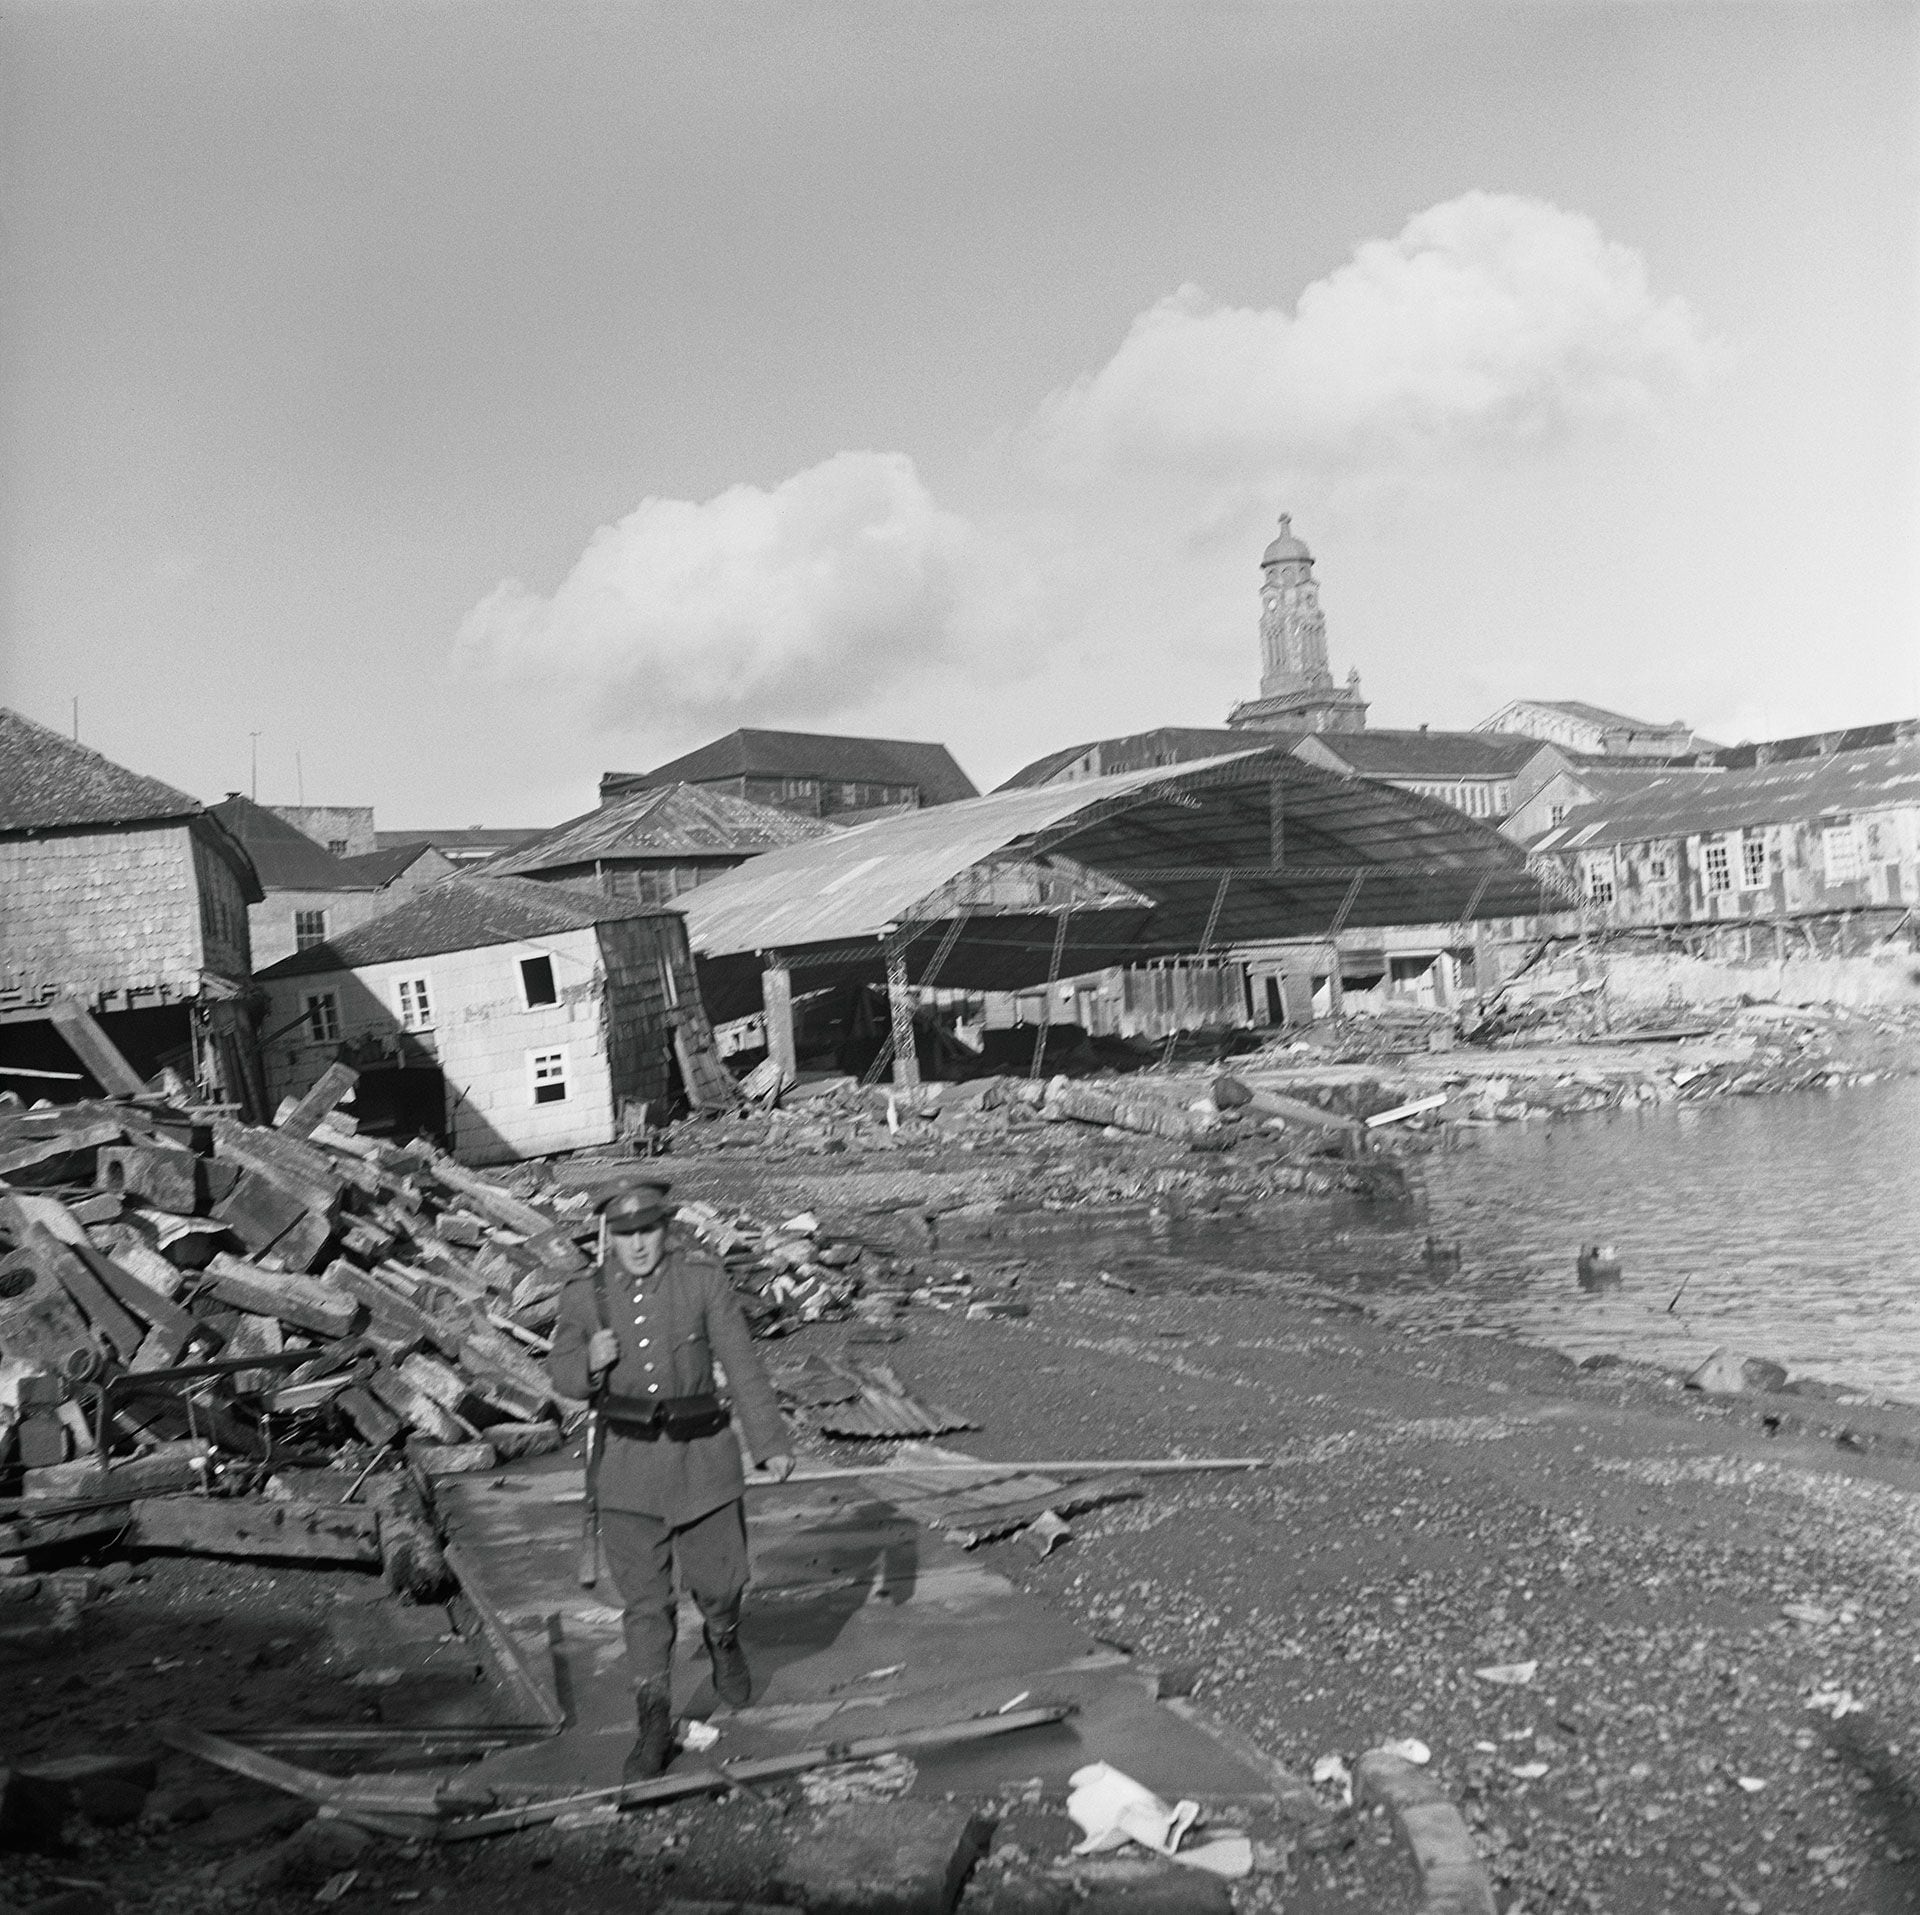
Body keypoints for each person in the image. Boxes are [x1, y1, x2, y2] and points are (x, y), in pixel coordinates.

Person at [548, 1179, 794, 1780]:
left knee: (721, 1581)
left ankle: (724, 1636)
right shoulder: (587, 1297)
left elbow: (743, 1365)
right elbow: (560, 1372)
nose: (638, 1246)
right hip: (625, 1472)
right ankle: (653, 1726)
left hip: (703, 1462)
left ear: (667, 1227)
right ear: (610, 1235)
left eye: (648, 1231)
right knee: (644, 1605)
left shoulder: (703, 1281)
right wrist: (589, 1362)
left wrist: (769, 1443)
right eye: (626, 1235)